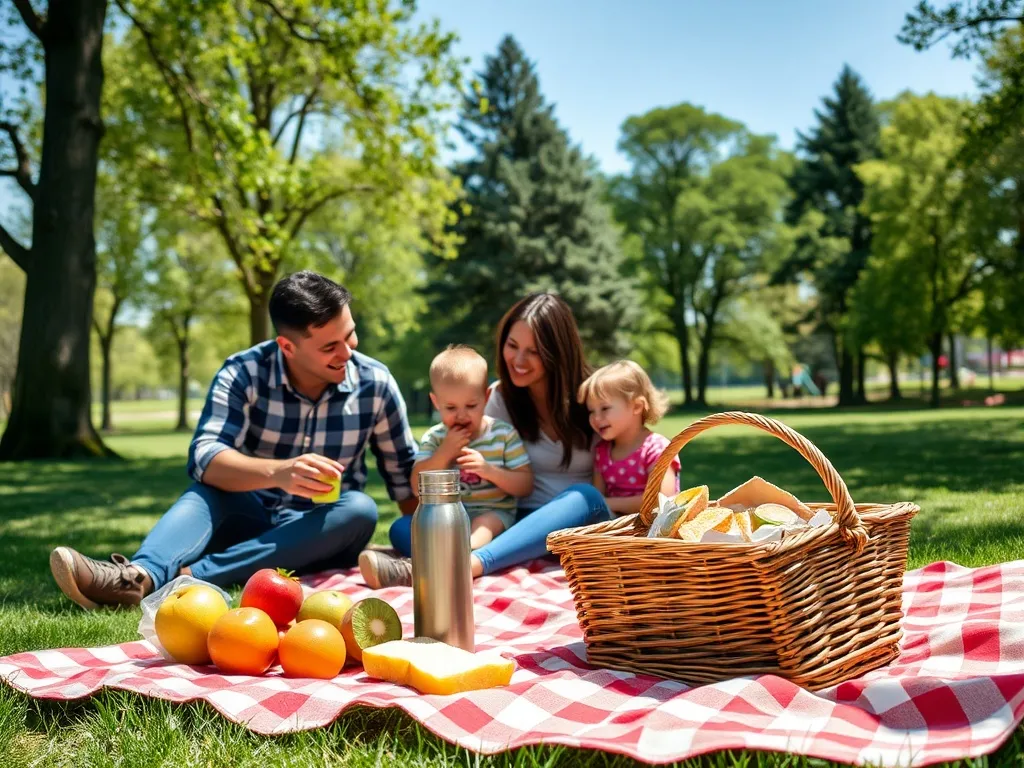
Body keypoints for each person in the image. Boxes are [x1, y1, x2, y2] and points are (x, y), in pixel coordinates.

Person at [49, 271, 418, 610]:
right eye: (330, 347)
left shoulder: (375, 384)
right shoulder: (244, 372)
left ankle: (189, 577)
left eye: (349, 335)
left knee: (360, 509)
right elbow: (205, 457)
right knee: (207, 492)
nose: (348, 352)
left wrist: (420, 547)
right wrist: (279, 473)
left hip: (322, 531)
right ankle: (136, 578)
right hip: (248, 519)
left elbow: (405, 479)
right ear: (287, 347)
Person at [358, 292, 612, 588]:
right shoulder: (498, 399)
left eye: (533, 351)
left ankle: (462, 565)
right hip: (513, 524)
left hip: (573, 520)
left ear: (557, 352)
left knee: (584, 496)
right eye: (512, 345)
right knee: (405, 527)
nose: (518, 360)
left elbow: (636, 451)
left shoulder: (594, 396)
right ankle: (466, 560)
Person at [359, 345, 533, 588]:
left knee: (486, 522)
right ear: (436, 402)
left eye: (471, 406)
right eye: (451, 408)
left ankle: (455, 555)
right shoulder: (435, 438)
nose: (461, 415)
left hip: (493, 513)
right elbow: (417, 487)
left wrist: (488, 470)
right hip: (445, 520)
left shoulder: (502, 434)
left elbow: (525, 485)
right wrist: (444, 453)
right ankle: (450, 559)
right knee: (401, 528)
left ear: (486, 397)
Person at [578, 360, 679, 515]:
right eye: (591, 411)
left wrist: (607, 503)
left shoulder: (656, 448)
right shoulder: (602, 451)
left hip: (653, 528)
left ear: (636, 406)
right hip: (614, 528)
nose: (596, 418)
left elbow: (663, 500)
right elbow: (597, 502)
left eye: (604, 408)